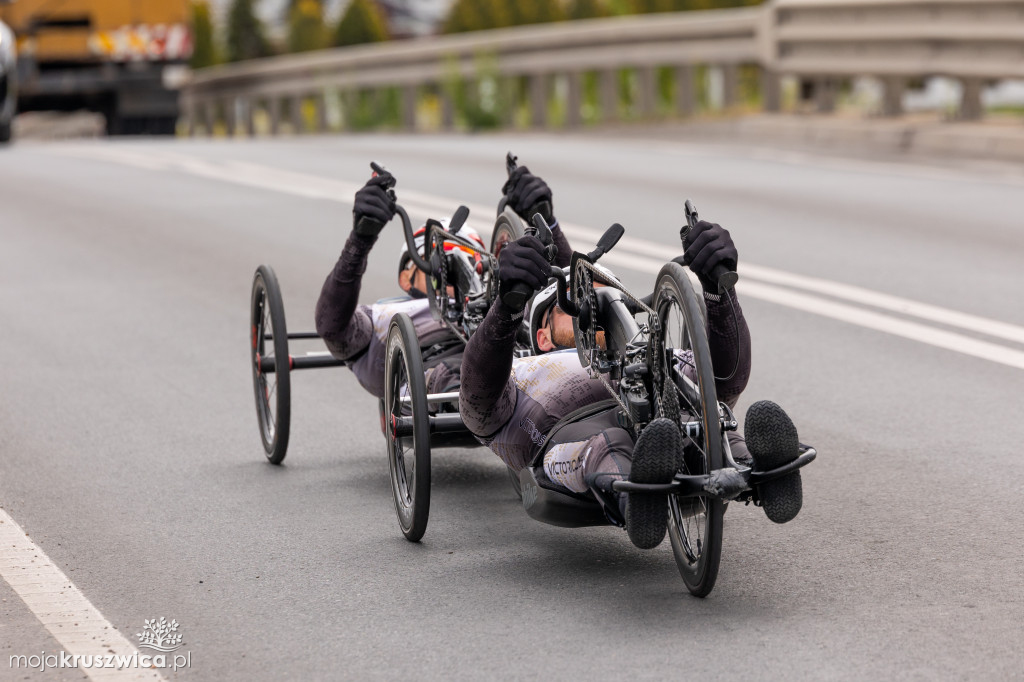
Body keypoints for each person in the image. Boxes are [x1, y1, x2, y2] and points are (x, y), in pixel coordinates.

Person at [459, 217, 803, 550]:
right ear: (543, 335)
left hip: (671, 430)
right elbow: (478, 406)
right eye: (576, 307)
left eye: (605, 299)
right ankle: (635, 496)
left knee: (711, 423)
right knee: (607, 446)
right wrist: (507, 306)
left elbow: (723, 381)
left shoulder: (652, 356)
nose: (594, 310)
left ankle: (760, 468)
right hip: (577, 445)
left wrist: (719, 291)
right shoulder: (523, 370)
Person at [313, 163, 574, 400]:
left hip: (515, 363)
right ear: (406, 278)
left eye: (470, 258)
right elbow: (334, 330)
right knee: (449, 374)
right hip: (440, 379)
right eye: (439, 260)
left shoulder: (511, 301)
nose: (455, 268)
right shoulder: (386, 316)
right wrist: (359, 241)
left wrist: (547, 223)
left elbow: (573, 303)